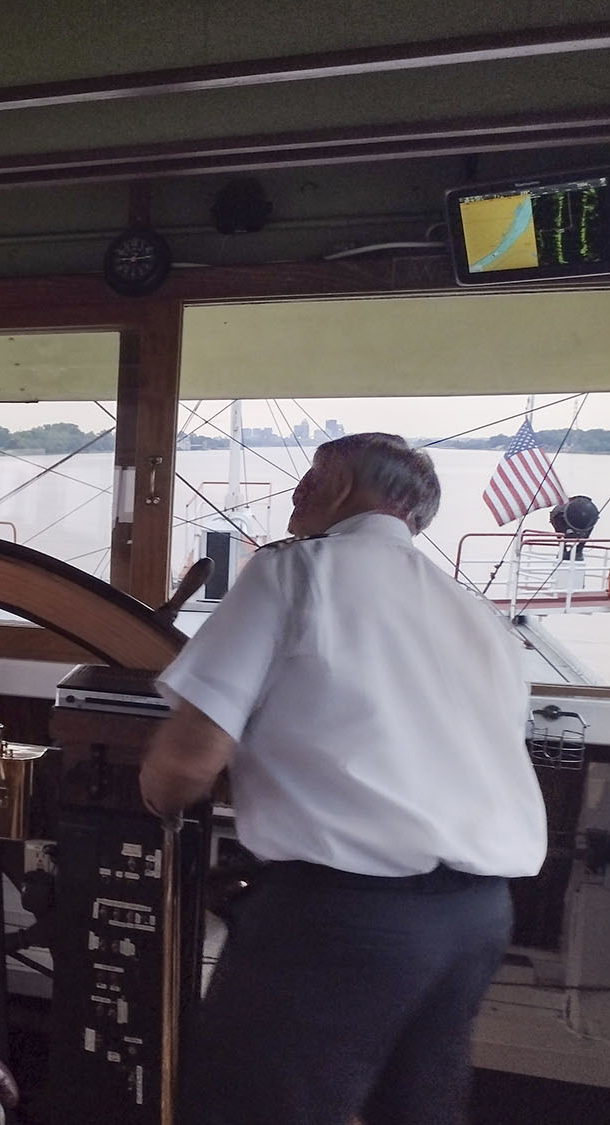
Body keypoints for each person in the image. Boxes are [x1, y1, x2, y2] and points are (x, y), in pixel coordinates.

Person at [141, 433, 547, 1125]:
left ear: (340, 487)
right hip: (475, 918)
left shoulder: (292, 573)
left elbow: (185, 763)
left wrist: (157, 791)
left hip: (342, 919)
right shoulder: (478, 614)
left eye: (313, 473)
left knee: (249, 1108)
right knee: (417, 1108)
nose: (298, 489)